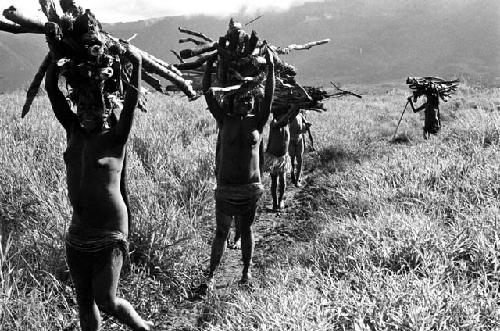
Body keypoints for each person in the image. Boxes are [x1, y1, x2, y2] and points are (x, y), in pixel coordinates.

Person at [45, 38, 153, 331]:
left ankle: (142, 328)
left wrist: (137, 64)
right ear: (77, 107)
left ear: (105, 107)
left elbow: (130, 104)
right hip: (78, 230)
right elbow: (52, 92)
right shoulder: (73, 132)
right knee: (84, 300)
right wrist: (54, 62)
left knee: (105, 299)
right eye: (84, 106)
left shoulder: (115, 139)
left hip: (108, 231)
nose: (89, 112)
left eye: (96, 106)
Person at [202, 48, 275, 288]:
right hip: (225, 188)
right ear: (234, 101)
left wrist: (271, 68)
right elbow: (208, 93)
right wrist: (210, 65)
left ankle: (246, 271)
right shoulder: (225, 120)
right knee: (221, 232)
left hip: (250, 188)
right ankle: (211, 275)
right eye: (243, 99)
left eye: (250, 99)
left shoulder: (258, 122)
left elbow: (270, 96)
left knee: (246, 229)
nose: (247, 102)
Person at [288, 110, 312, 188]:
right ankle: (293, 176)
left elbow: (305, 124)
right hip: (291, 140)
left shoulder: (300, 115)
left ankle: (297, 179)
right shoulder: (289, 115)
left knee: (299, 159)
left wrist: (307, 125)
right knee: (292, 160)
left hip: (299, 140)